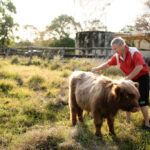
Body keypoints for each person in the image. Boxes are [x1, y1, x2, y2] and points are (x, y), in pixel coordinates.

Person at [91, 37, 150, 130]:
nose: (114, 51)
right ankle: (128, 120)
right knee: (127, 98)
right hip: (129, 79)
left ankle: (147, 123)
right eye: (113, 49)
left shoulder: (134, 52)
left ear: (122, 45)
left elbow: (139, 67)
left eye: (115, 48)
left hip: (141, 78)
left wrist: (126, 80)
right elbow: (107, 64)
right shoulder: (118, 57)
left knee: (142, 101)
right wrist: (96, 68)